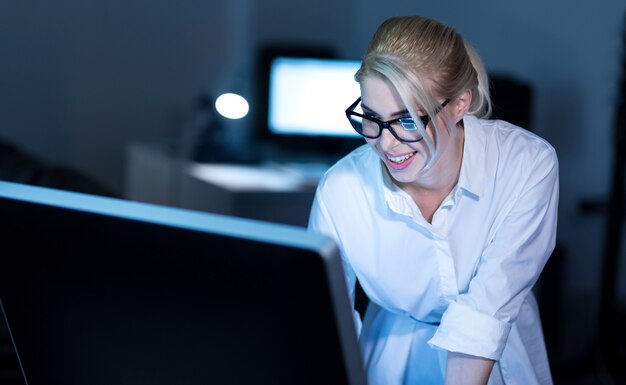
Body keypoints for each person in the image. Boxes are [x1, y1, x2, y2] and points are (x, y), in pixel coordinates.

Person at [307, 16, 558, 385]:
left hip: (496, 359)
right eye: (371, 118)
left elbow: (486, 311)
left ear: (459, 105)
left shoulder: (526, 164)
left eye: (407, 121)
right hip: (389, 359)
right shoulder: (340, 190)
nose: (385, 144)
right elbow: (325, 322)